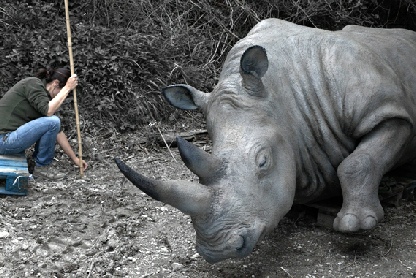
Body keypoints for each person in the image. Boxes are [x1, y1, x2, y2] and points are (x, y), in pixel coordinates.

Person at [0, 66, 88, 180]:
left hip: (7, 141)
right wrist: (67, 88)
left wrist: (75, 159)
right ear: (56, 83)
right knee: (53, 121)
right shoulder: (33, 84)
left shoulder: (42, 98)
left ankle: (37, 165)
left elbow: (57, 131)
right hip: (3, 140)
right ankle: (42, 169)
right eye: (61, 92)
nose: (61, 97)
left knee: (53, 122)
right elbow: (49, 112)